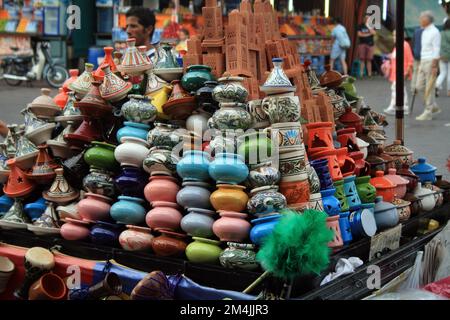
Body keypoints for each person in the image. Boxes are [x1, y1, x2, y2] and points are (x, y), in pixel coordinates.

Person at [415, 11, 441, 121]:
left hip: (431, 61)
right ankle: (432, 106)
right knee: (419, 87)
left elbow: (437, 49)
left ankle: (428, 111)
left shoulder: (435, 32)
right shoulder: (424, 31)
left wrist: (435, 66)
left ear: (427, 20)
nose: (420, 20)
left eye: (421, 18)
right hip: (423, 60)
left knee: (429, 87)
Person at [383, 30, 414, 116]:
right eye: (393, 36)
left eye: (395, 36)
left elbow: (410, 60)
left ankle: (399, 106)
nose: (394, 38)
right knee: (397, 89)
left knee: (398, 89)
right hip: (396, 72)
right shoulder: (398, 45)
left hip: (401, 72)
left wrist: (407, 71)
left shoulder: (404, 45)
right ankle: (397, 106)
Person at [436, 19, 450, 97]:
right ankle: (449, 91)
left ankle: (436, 85)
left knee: (442, 73)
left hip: (441, 55)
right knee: (449, 74)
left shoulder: (440, 33)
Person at [411, 26, 424, 96]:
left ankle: (413, 89)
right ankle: (420, 88)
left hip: (416, 54)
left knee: (415, 72)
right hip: (424, 55)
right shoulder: (426, 32)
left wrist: (413, 52)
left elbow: (412, 43)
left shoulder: (416, 31)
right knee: (423, 72)